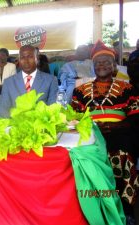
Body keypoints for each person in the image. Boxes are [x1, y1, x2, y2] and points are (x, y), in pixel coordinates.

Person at [71, 40, 139, 223]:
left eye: (106, 62)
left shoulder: (128, 88)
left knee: (123, 151)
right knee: (80, 155)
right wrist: (91, 127)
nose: (101, 65)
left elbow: (135, 115)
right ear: (93, 67)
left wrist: (116, 126)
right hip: (91, 134)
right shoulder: (80, 91)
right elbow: (73, 117)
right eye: (98, 63)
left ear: (114, 65)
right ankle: (94, 207)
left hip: (120, 132)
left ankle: (126, 208)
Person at [0, 45, 58, 118]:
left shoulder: (51, 80)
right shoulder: (8, 83)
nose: (26, 61)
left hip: (41, 127)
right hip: (16, 127)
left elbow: (52, 109)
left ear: (37, 59)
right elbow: (4, 111)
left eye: (30, 57)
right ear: (19, 60)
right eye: (22, 57)